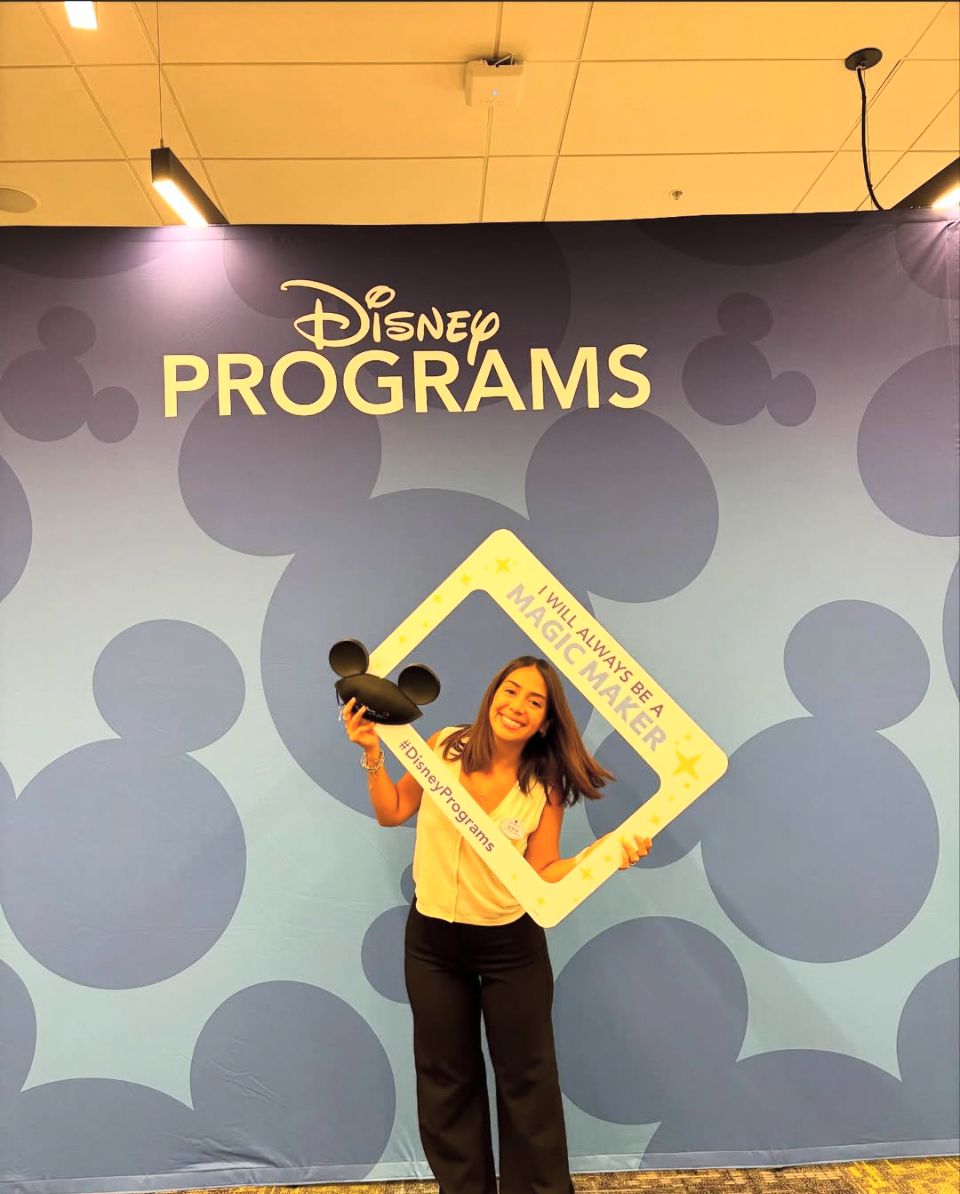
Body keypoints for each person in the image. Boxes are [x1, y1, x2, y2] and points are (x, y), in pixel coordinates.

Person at [342, 654, 652, 1194]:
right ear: (493, 694)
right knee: (445, 1076)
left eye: (535, 701)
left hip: (510, 944)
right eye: (511, 690)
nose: (517, 706)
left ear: (546, 722)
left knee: (526, 1078)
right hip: (433, 942)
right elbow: (393, 811)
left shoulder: (545, 782)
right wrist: (371, 752)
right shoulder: (444, 746)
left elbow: (543, 871)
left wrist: (602, 853)